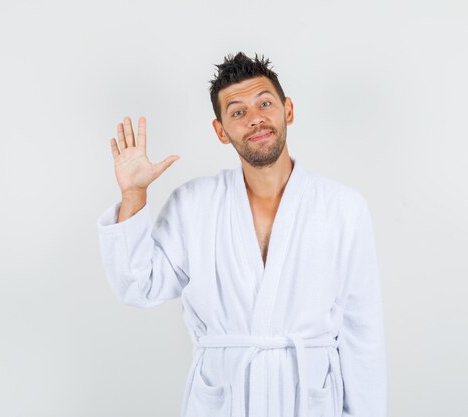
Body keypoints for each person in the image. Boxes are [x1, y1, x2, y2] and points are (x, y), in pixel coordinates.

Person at [97, 52, 387, 417]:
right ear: (221, 131)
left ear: (288, 111)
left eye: (265, 103)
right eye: (237, 112)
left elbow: (363, 334)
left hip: (309, 401)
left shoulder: (344, 208)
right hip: (222, 400)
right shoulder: (193, 204)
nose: (255, 119)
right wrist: (133, 195)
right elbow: (138, 285)